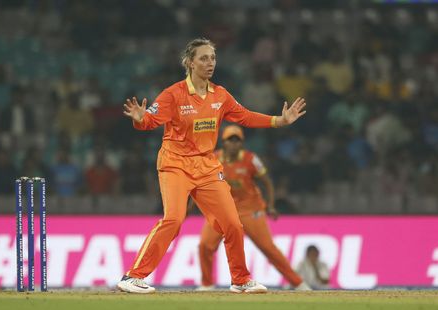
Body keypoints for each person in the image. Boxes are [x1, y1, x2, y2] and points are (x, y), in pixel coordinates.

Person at [118, 38, 306, 294]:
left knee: (232, 223)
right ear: (189, 62)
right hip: (176, 164)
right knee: (174, 219)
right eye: (204, 58)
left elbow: (246, 116)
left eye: (213, 58)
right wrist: (140, 120)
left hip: (206, 166)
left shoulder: (221, 95)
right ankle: (132, 277)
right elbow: (150, 121)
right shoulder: (173, 94)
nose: (210, 63)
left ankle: (240, 280)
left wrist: (278, 121)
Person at [197, 125, 311, 291]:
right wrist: (190, 207)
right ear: (223, 142)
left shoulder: (251, 159)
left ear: (242, 143)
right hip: (222, 211)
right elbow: (200, 184)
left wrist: (270, 205)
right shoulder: (213, 159)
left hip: (250, 210)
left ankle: (298, 283)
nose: (234, 144)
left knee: (267, 248)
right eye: (230, 140)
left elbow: (267, 182)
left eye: (237, 141)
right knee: (205, 245)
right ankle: (207, 284)